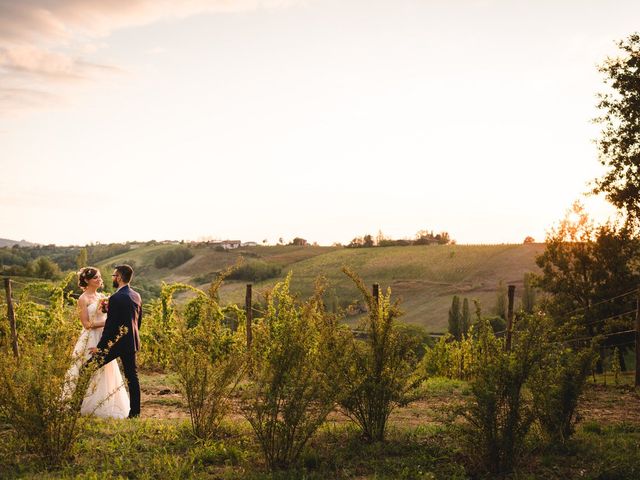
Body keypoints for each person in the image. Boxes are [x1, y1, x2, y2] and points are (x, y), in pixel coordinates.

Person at [65, 267, 130, 418]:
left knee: (106, 368)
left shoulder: (102, 296)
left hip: (103, 337)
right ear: (87, 281)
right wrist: (107, 324)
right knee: (87, 368)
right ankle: (80, 404)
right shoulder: (83, 299)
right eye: (96, 278)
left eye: (100, 277)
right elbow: (86, 324)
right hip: (90, 337)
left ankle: (103, 404)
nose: (100, 280)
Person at [88, 264, 142, 418]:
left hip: (115, 344)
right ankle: (135, 414)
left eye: (113, 275)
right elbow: (138, 322)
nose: (112, 278)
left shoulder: (116, 297)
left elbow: (110, 327)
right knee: (132, 377)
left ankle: (75, 407)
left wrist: (100, 348)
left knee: (86, 369)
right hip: (131, 342)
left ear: (118, 277)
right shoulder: (136, 295)